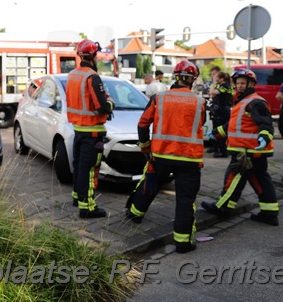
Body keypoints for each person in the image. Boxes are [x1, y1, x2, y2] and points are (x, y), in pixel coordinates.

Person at [125, 60, 205, 253]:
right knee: (186, 199)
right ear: (193, 80)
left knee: (150, 184)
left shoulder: (159, 98)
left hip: (161, 155)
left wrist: (145, 148)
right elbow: (200, 123)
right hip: (189, 159)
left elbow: (143, 124)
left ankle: (135, 214)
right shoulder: (200, 102)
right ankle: (183, 243)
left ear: (175, 77)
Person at [201, 69, 279, 225]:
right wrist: (216, 133)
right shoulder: (242, 102)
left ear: (251, 84)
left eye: (243, 83)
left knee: (234, 177)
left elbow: (265, 124)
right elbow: (233, 125)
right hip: (251, 150)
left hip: (248, 151)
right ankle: (270, 213)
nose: (240, 86)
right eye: (237, 83)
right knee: (260, 179)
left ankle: (223, 207)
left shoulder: (255, 102)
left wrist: (264, 137)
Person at [66, 39, 115, 219]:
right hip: (92, 131)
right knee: (89, 170)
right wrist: (110, 103)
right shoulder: (92, 77)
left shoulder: (72, 75)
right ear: (93, 56)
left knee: (79, 166)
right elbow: (102, 106)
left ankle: (77, 197)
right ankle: (87, 208)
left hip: (78, 129)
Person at [209, 71, 233, 158]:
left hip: (223, 111)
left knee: (221, 131)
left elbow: (212, 92)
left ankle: (223, 151)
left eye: (216, 77)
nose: (214, 78)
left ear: (221, 78)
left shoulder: (225, 86)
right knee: (216, 129)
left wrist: (213, 83)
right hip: (219, 110)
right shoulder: (221, 85)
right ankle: (216, 148)